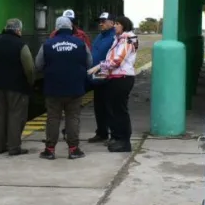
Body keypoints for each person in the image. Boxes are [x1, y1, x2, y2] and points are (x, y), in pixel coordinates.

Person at [35, 16, 89, 160]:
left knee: (53, 118)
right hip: (75, 88)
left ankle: (50, 150)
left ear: (56, 28)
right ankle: (73, 149)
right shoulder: (80, 43)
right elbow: (89, 62)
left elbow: (38, 65)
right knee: (73, 118)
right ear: (71, 28)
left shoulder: (47, 44)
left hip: (53, 89)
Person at [89, 15, 138, 153]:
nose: (115, 26)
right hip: (116, 77)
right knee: (115, 110)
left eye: (117, 24)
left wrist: (98, 67)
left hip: (122, 78)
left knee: (120, 111)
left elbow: (117, 60)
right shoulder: (120, 39)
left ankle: (124, 142)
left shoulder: (127, 39)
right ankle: (117, 138)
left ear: (124, 25)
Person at [0, 18, 34, 156]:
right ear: (17, 30)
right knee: (16, 115)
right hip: (17, 87)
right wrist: (30, 82)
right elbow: (30, 68)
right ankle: (14, 147)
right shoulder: (21, 45)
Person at [87, 12, 117, 143]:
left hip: (108, 76)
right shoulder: (99, 36)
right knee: (99, 106)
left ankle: (114, 134)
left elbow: (113, 59)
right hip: (98, 75)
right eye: (100, 21)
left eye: (104, 21)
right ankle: (101, 132)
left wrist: (103, 75)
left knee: (109, 106)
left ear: (112, 22)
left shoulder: (115, 37)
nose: (101, 23)